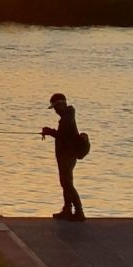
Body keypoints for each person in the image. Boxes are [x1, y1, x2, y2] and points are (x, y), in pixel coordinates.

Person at [41, 92, 87, 221]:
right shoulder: (67, 117)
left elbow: (62, 136)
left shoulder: (67, 119)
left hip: (67, 155)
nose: (55, 110)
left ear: (61, 105)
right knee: (65, 183)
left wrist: (49, 131)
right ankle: (67, 210)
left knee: (67, 183)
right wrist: (50, 132)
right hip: (65, 155)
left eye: (56, 107)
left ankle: (79, 211)